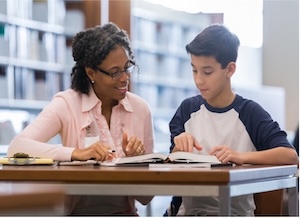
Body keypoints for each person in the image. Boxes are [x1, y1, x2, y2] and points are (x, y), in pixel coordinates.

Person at [8, 22, 155, 215]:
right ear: (91, 72)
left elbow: (146, 198)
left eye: (127, 68)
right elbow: (16, 148)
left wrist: (137, 164)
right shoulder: (67, 104)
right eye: (115, 72)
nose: (124, 78)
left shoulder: (140, 109)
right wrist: (75, 153)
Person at [165, 23, 298, 216]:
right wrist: (177, 148)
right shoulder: (187, 110)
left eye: (207, 72)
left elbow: (290, 156)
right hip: (190, 213)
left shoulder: (249, 112)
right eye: (194, 70)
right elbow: (171, 165)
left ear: (230, 69)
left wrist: (241, 157)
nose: (199, 80)